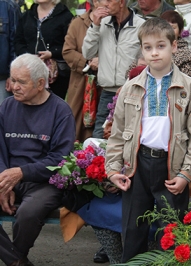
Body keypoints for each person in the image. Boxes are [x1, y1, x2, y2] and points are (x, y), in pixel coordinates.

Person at [105, 17, 191, 262]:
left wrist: (186, 174)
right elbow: (117, 133)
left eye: (161, 46)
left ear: (174, 46)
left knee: (171, 231)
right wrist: (112, 169)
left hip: (171, 169)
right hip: (137, 166)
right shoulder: (130, 88)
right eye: (148, 47)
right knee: (133, 229)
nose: (154, 53)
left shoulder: (190, 87)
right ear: (141, 49)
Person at [0, 53, 75, 266]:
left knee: (28, 214)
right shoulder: (6, 107)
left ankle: (14, 258)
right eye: (12, 80)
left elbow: (60, 159)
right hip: (8, 177)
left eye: (21, 82)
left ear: (41, 83)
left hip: (44, 182)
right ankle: (17, 261)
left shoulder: (60, 111)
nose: (14, 86)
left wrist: (21, 173)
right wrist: (4, 184)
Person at [82, 0, 144, 139]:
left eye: (109, 0)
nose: (104, 4)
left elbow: (145, 61)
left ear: (121, 2)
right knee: (99, 136)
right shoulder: (102, 23)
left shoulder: (142, 26)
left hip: (132, 92)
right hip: (107, 92)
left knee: (128, 136)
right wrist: (95, 25)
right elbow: (87, 54)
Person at [62, 0, 107, 143]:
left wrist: (103, 61)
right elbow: (67, 51)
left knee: (102, 126)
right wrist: (87, 62)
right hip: (81, 84)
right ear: (94, 2)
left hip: (106, 85)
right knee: (75, 125)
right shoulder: (77, 23)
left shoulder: (114, 23)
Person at [14, 0, 73, 100]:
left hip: (56, 75)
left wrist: (52, 53)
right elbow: (18, 41)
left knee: (52, 107)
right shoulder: (27, 15)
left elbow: (70, 45)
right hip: (30, 71)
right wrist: (28, 56)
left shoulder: (65, 16)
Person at [0, 0, 20, 104]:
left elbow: (16, 42)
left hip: (2, 79)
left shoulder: (9, 7)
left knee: (4, 116)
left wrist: (13, 75)